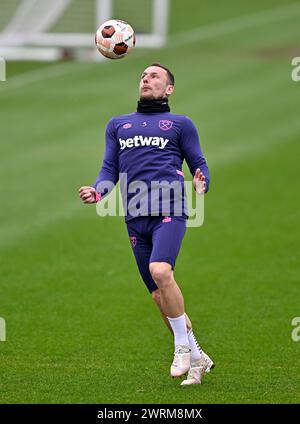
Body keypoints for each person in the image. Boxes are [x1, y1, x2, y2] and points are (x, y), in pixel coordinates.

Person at [79, 63, 214, 385]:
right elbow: (109, 168)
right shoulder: (118, 125)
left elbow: (199, 163)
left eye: (154, 76)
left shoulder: (180, 125)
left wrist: (201, 182)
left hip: (170, 208)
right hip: (135, 215)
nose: (146, 79)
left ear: (169, 89)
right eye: (143, 75)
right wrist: (98, 192)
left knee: (161, 271)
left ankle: (181, 347)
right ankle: (197, 357)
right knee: (158, 296)